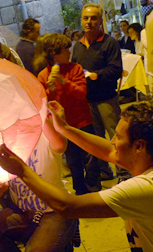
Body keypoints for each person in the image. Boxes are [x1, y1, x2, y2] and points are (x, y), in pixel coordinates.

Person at [0, 101, 153, 252]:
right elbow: (108, 151)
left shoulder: (148, 189)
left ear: (139, 146)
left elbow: (68, 206)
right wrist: (64, 128)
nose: (112, 141)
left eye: (119, 137)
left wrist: (22, 171)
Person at [0, 104, 77, 252]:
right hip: (24, 213)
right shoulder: (3, 145)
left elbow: (59, 145)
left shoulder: (42, 135)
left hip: (55, 211)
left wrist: (38, 111)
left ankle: (63, 251)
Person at [37, 33, 101, 195]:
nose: (69, 52)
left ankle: (94, 189)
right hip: (63, 126)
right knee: (73, 161)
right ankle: (80, 191)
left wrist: (63, 81)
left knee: (91, 156)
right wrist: (47, 90)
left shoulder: (76, 68)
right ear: (54, 54)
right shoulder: (44, 75)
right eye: (65, 50)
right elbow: (40, 102)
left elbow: (81, 93)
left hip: (83, 121)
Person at [71, 3, 129, 181]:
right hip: (87, 100)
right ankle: (105, 171)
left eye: (93, 18)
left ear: (100, 21)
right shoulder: (78, 45)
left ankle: (124, 174)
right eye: (85, 18)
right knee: (96, 138)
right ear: (81, 21)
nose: (89, 22)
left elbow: (116, 70)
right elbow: (74, 67)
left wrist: (96, 75)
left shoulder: (109, 42)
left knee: (115, 135)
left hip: (106, 99)